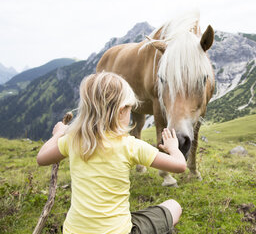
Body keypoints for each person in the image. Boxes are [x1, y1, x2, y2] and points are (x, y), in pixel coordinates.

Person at [37, 72, 187, 234]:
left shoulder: (73, 140)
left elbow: (41, 158)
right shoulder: (130, 145)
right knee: (173, 206)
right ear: (121, 110)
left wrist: (59, 133)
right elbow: (180, 166)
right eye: (130, 108)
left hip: (72, 231)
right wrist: (173, 147)